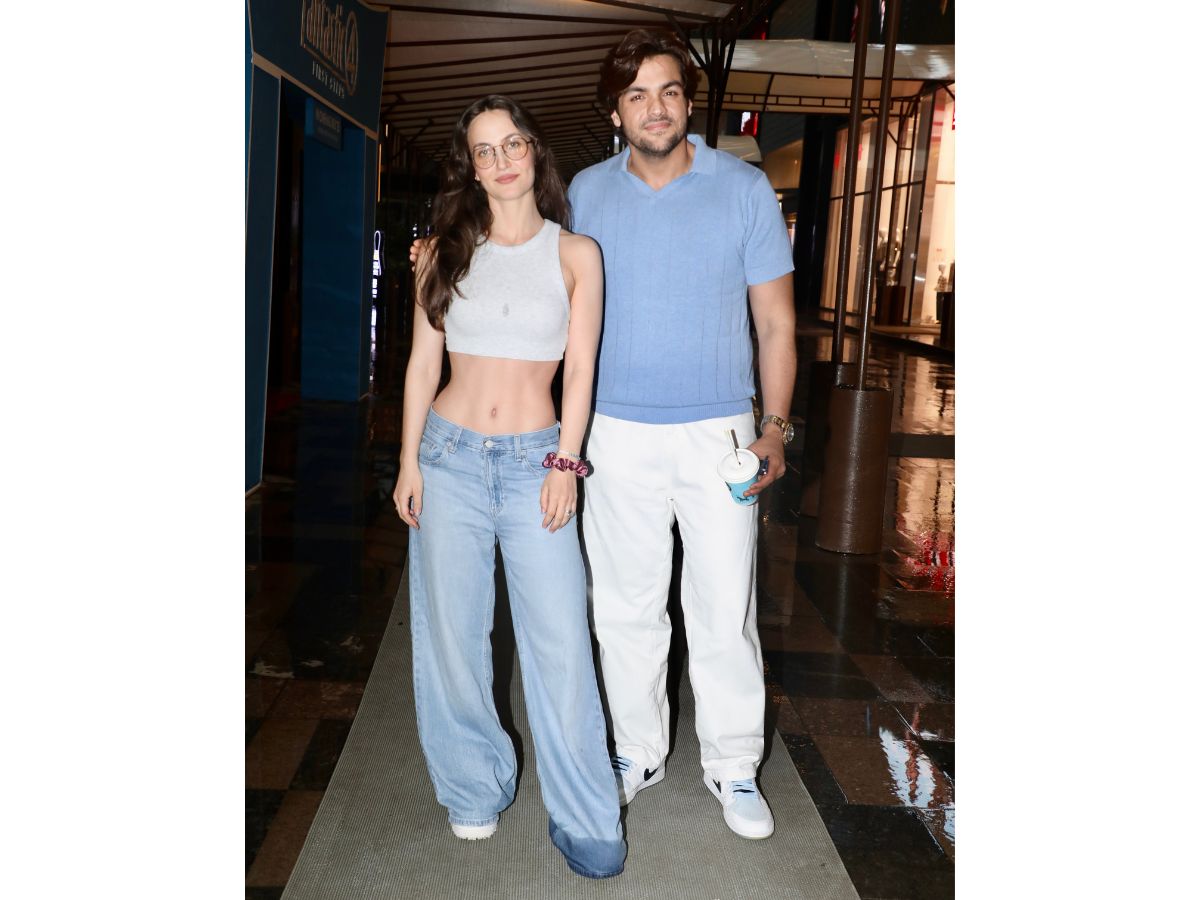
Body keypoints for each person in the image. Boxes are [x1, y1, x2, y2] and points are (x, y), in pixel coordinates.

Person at [568, 28, 797, 841]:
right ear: (615, 112)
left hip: (718, 434)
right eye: (636, 95)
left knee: (723, 605)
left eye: (668, 91)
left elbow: (776, 324)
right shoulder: (584, 194)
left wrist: (774, 429)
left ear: (689, 103)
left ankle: (734, 765)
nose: (654, 108)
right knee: (624, 605)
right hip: (614, 433)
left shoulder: (743, 189)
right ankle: (637, 752)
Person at [391, 94, 625, 879]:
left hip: (535, 466)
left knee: (560, 643)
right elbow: (422, 365)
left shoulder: (577, 253)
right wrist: (408, 461)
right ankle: (472, 787)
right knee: (454, 638)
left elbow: (581, 370)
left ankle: (586, 815)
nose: (501, 160)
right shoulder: (442, 252)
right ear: (472, 166)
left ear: (534, 151)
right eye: (484, 150)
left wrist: (566, 463)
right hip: (448, 458)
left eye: (512, 143)